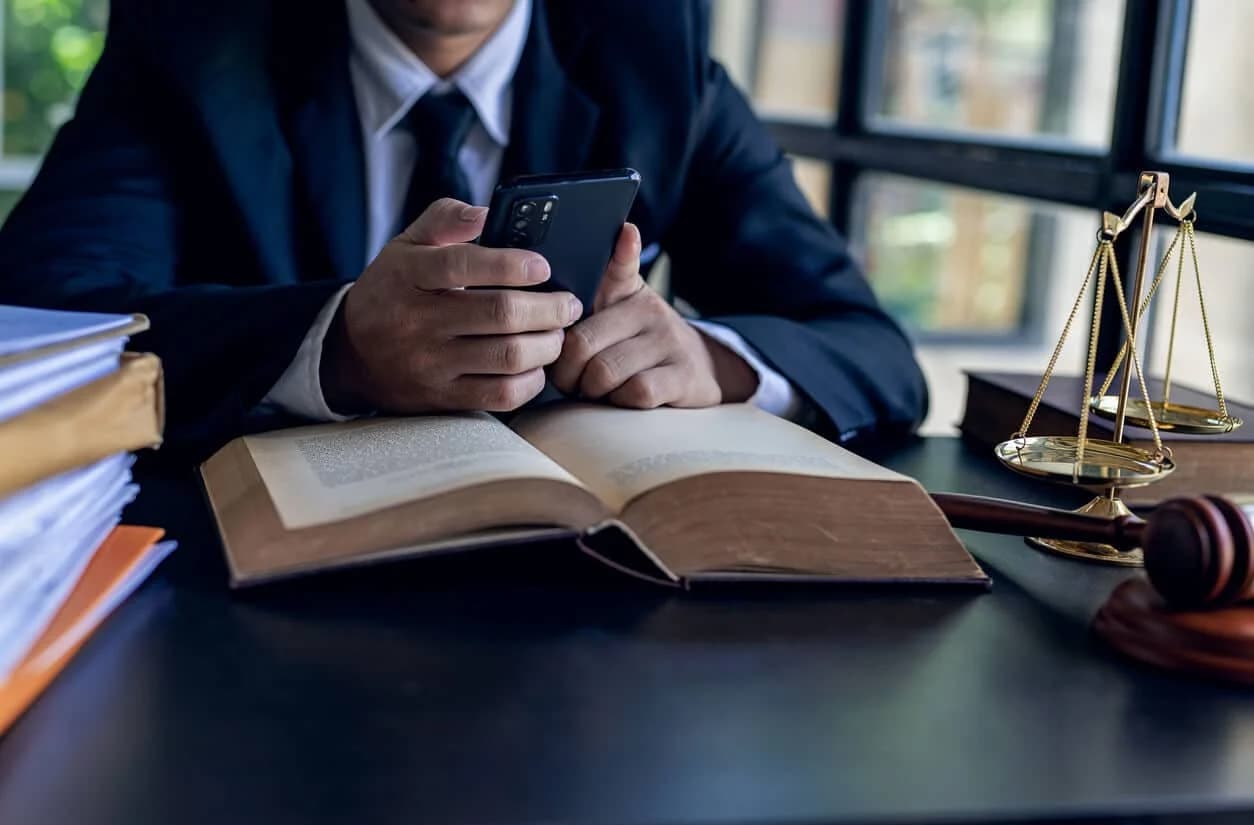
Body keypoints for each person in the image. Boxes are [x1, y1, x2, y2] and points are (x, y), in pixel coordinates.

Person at [0, 0, 927, 462]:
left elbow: (868, 348)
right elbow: (36, 318)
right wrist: (338, 349)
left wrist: (707, 360)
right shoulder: (194, 36)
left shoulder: (652, 50)